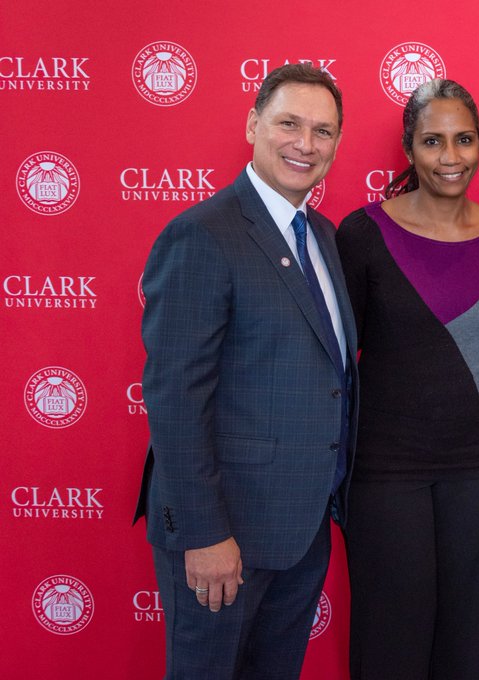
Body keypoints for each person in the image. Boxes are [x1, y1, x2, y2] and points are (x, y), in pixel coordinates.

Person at [134, 63, 355, 679]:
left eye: (323, 131)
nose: (305, 144)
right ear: (254, 124)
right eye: (289, 124)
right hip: (222, 537)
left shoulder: (323, 235)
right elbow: (175, 399)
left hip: (302, 528)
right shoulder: (202, 235)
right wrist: (203, 534)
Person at [334, 78, 479, 679]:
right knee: (391, 633)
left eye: (464, 140)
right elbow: (336, 360)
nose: (451, 157)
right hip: (386, 469)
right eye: (433, 141)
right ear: (408, 148)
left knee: (460, 634)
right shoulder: (361, 234)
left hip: (477, 466)